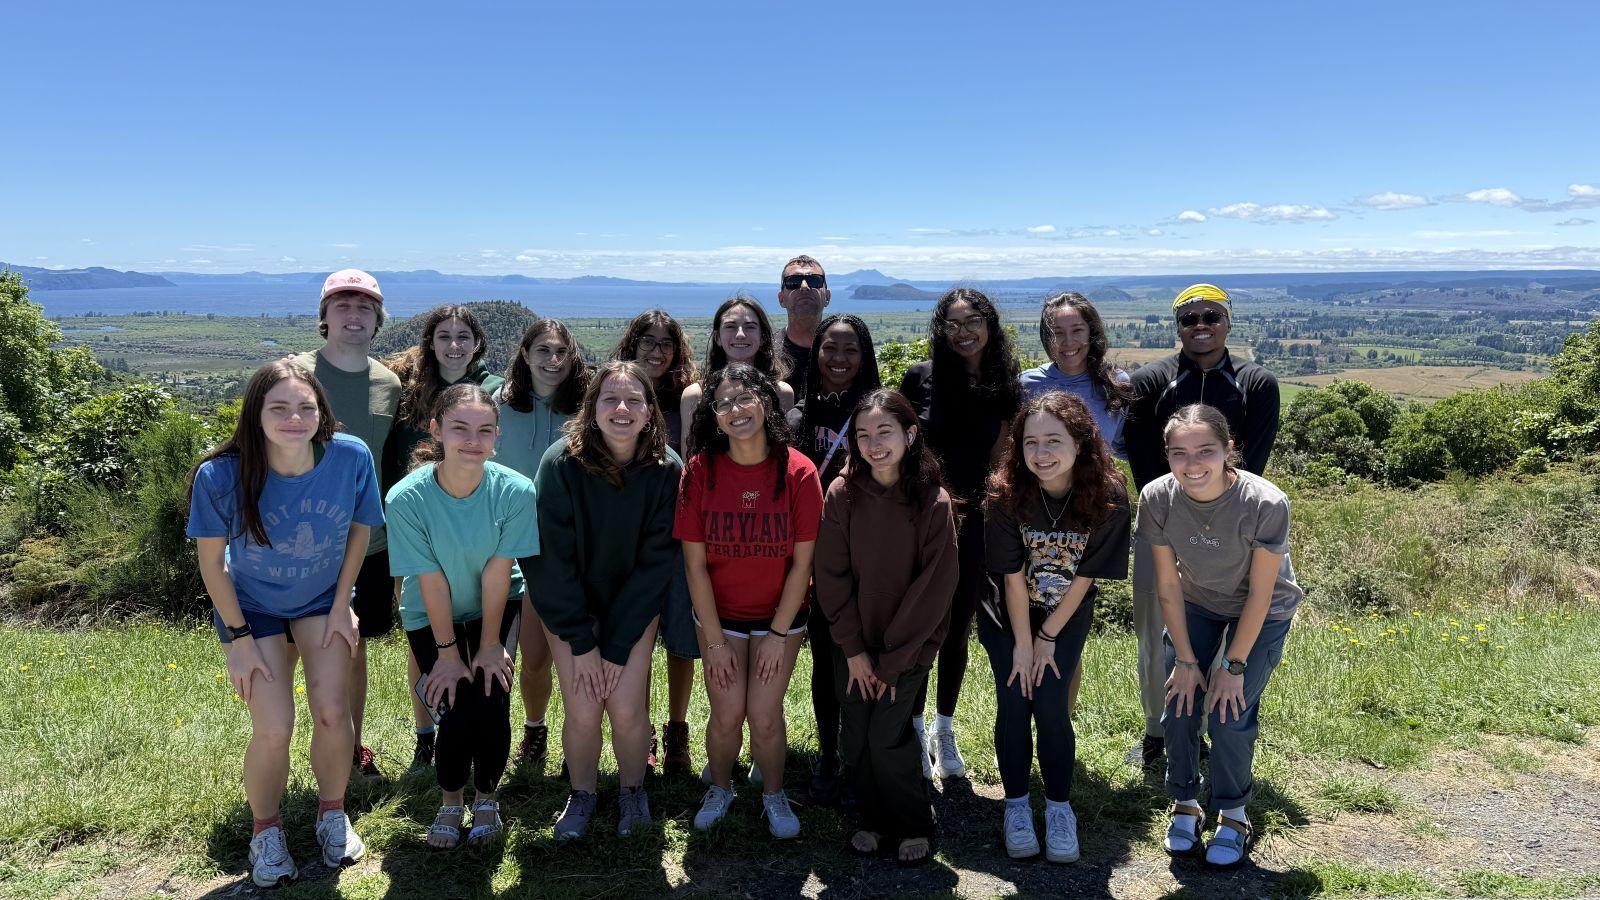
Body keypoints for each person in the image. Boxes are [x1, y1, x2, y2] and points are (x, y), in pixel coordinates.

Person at [186, 361, 383, 887]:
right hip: (251, 607)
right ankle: (266, 831)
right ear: (255, 414)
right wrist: (239, 640)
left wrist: (342, 603)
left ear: (322, 413)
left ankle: (332, 813)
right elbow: (212, 565)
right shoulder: (221, 475)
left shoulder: (350, 456)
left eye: (305, 407)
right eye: (279, 408)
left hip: (321, 598)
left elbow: (360, 530)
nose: (294, 418)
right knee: (274, 726)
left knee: (333, 711)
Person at [1122, 284, 1281, 770]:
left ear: (1228, 322)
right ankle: (1159, 731)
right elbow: (1143, 457)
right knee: (1157, 632)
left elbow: (1252, 461)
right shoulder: (1151, 381)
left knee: (1224, 636)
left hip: (1234, 530)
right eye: (1189, 319)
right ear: (1177, 327)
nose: (1201, 326)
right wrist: (1168, 515)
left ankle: (1214, 727)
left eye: (1211, 316)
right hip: (1162, 524)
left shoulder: (1256, 383)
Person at [1140, 403, 1302, 870]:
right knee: (1180, 698)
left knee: (1230, 711)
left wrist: (1232, 666)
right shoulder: (1156, 497)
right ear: (1167, 455)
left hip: (1263, 609)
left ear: (1228, 449)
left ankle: (1234, 814)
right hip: (1197, 600)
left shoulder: (1265, 502)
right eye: (1179, 453)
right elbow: (1167, 584)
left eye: (1205, 451)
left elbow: (1261, 594)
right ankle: (1185, 802)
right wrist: (1186, 661)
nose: (1192, 464)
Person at [527, 361, 684, 839]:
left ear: (650, 411)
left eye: (634, 400)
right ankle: (583, 794)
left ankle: (632, 792)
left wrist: (615, 647)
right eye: (610, 399)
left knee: (627, 706)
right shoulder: (560, 464)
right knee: (583, 705)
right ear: (591, 407)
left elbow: (656, 564)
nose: (622, 408)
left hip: (632, 606)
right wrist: (582, 643)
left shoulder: (667, 469)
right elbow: (550, 562)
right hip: (570, 606)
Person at [385, 384, 538, 849]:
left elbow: (498, 571)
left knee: (491, 698)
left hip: (496, 603)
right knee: (452, 704)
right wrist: (449, 655)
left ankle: (487, 798)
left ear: (497, 436)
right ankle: (451, 801)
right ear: (436, 430)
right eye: (460, 428)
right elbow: (430, 580)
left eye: (485, 430)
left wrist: (490, 646)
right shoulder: (406, 499)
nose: (473, 440)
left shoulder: (516, 490)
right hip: (430, 613)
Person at [980, 392, 1130, 863]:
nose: (1041, 453)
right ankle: (1017, 806)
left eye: (1053, 441)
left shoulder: (1108, 494)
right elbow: (1010, 578)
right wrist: (1024, 645)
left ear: (1080, 442)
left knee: (1049, 703)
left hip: (1066, 611)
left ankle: (1060, 809)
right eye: (1030, 442)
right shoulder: (1005, 493)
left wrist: (1047, 639)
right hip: (1007, 612)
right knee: (1014, 697)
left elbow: (1086, 577)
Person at [675, 363, 821, 839]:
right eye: (723, 403)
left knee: (763, 714)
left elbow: (803, 565)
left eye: (744, 398)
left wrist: (778, 635)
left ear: (765, 403)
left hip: (780, 617)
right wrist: (715, 643)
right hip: (721, 617)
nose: (735, 410)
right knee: (726, 713)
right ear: (713, 417)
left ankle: (773, 794)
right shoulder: (700, 472)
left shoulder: (799, 471)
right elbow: (695, 567)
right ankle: (720, 788)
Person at [814, 389, 958, 865]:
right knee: (856, 735)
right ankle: (872, 820)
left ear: (910, 435)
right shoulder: (842, 493)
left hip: (908, 648)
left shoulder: (933, 502)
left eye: (884, 432)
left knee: (886, 735)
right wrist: (855, 651)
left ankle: (914, 823)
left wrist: (893, 662)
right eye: (863, 435)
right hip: (852, 645)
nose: (874, 444)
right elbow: (830, 575)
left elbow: (934, 588)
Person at [899, 287, 1022, 779]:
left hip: (975, 520)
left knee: (956, 628)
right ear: (940, 329)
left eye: (973, 321)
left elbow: (1002, 454)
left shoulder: (1004, 381)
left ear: (989, 325)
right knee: (920, 624)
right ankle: (912, 729)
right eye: (952, 323)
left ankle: (943, 729)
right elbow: (906, 446)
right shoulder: (921, 377)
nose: (963, 332)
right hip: (923, 516)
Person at [290, 268, 401, 779]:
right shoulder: (294, 374)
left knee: (353, 649)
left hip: (366, 540)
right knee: (289, 649)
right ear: (324, 316)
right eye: (343, 305)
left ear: (377, 320)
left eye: (364, 308)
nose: (353, 315)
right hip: (300, 540)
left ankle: (352, 749)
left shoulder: (388, 384)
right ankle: (282, 745)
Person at [383, 305, 505, 769]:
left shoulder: (493, 389)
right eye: (443, 337)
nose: (454, 345)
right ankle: (426, 734)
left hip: (474, 524)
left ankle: (471, 730)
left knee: (475, 638)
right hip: (414, 522)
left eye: (463, 337)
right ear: (429, 344)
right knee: (422, 629)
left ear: (478, 344)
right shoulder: (408, 391)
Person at [785, 313, 882, 804]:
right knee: (826, 659)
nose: (839, 359)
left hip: (873, 555)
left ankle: (868, 753)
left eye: (850, 350)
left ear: (865, 357)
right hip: (820, 558)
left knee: (869, 655)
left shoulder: (880, 414)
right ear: (815, 354)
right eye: (829, 348)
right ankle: (829, 753)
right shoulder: (798, 418)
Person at [495, 318, 590, 775]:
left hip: (569, 548)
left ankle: (580, 738)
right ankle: (534, 730)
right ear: (525, 354)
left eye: (561, 352)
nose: (553, 361)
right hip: (509, 543)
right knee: (532, 660)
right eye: (543, 351)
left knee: (574, 658)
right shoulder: (499, 405)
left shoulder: (588, 407)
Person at [611, 311, 701, 777]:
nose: (657, 351)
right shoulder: (616, 393)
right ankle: (642, 732)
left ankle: (677, 731)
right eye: (648, 340)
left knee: (681, 640)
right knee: (639, 639)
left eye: (667, 343)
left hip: (681, 534)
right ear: (632, 343)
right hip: (631, 537)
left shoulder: (689, 398)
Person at [1020, 291, 1132, 458]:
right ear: (1047, 338)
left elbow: (1121, 445)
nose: (1069, 341)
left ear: (1091, 332)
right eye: (1058, 333)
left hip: (1097, 475)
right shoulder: (1028, 384)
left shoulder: (1115, 383)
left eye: (1077, 330)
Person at [679, 294, 795, 453]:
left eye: (750, 327)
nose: (740, 334)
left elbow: (785, 454)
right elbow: (690, 459)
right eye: (730, 326)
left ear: (762, 337)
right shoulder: (695, 395)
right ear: (717, 338)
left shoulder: (782, 393)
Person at [775, 254, 832, 397]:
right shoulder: (766, 353)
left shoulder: (843, 353)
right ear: (781, 299)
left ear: (827, 297)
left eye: (814, 280)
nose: (804, 287)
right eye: (793, 282)